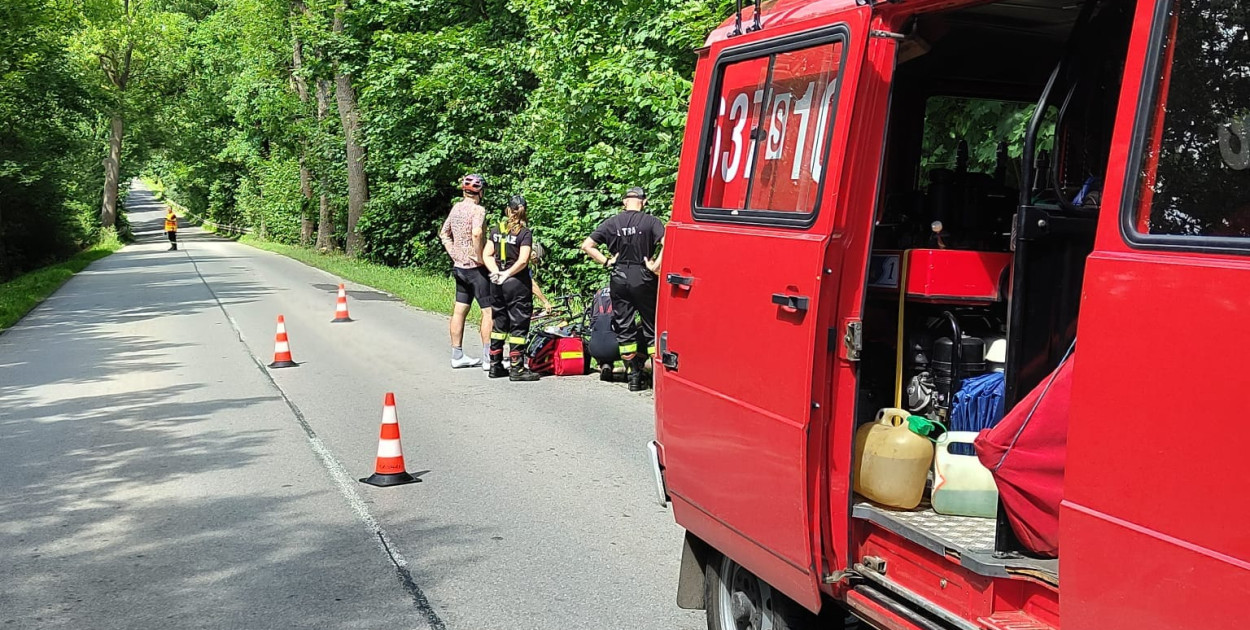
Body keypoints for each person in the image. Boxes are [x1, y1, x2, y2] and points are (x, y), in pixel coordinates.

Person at [580, 187, 665, 391]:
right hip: (644, 277)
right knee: (651, 326)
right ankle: (656, 379)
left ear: (624, 202)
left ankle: (633, 377)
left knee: (624, 327)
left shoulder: (612, 222)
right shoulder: (651, 221)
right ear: (644, 201)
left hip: (619, 277)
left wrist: (607, 261)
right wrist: (655, 266)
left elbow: (587, 245)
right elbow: (669, 241)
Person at [439, 174, 494, 369]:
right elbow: (477, 233)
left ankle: (457, 354)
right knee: (489, 312)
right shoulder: (478, 210)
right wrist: (480, 257)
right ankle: (489, 358)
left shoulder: (456, 208)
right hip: (475, 269)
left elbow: (444, 233)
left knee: (460, 310)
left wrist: (453, 251)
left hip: (459, 267)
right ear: (480, 192)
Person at [483, 195, 540, 382]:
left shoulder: (496, 230)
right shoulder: (524, 233)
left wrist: (497, 272)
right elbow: (523, 260)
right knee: (519, 323)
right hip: (516, 283)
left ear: (508, 210)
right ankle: (517, 368)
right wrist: (507, 273)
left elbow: (487, 254)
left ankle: (495, 364)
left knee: (499, 323)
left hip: (496, 283)